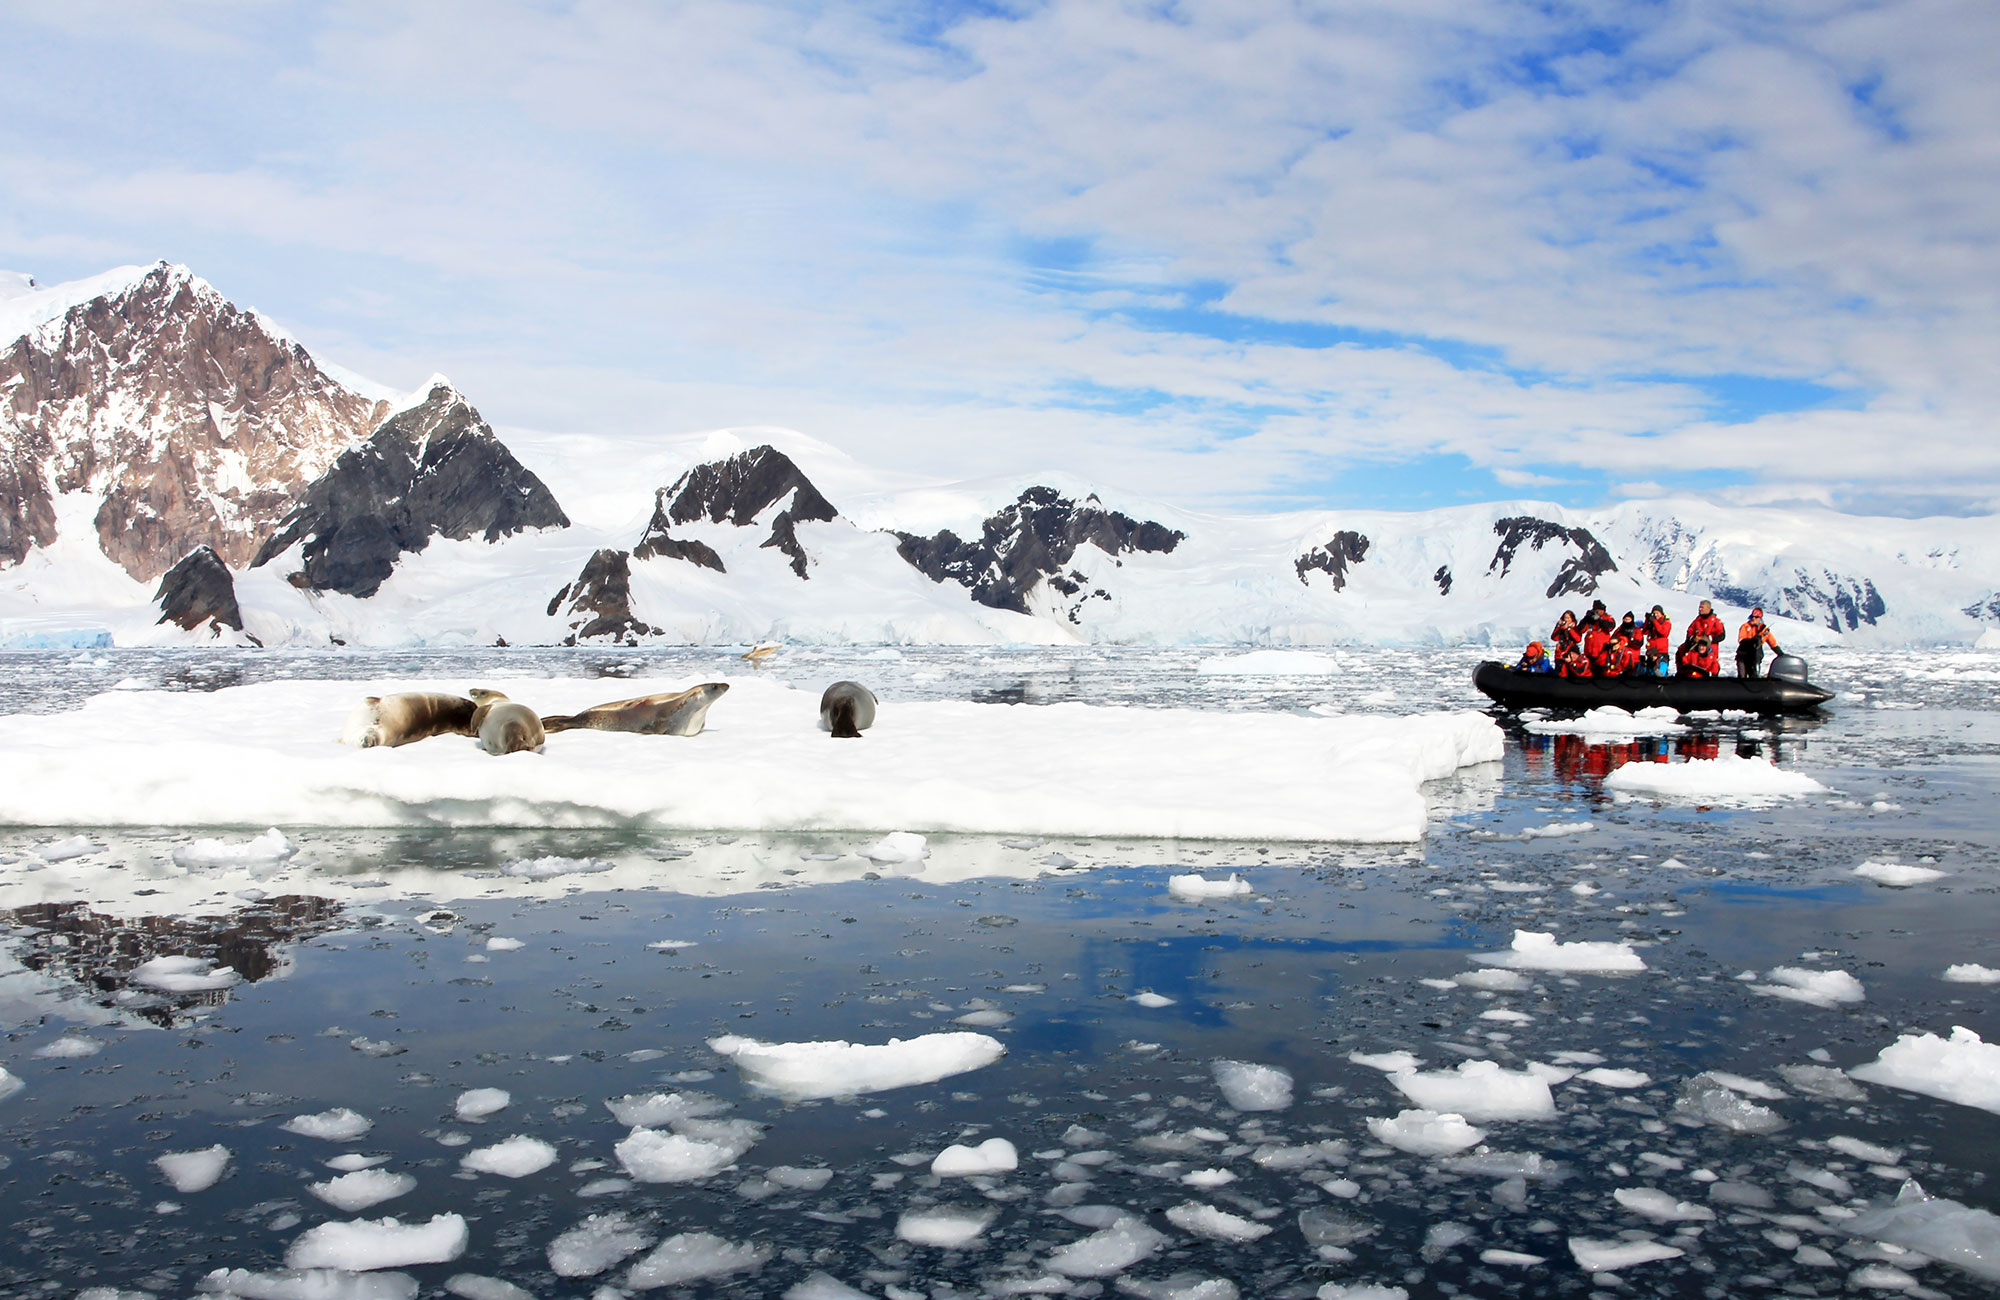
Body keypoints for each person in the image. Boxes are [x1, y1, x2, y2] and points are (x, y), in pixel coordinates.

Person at [1736, 607, 1781, 678]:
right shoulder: (1745, 626)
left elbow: (1773, 644)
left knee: (1754, 676)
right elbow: (1741, 640)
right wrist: (1752, 640)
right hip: (1743, 655)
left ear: (1760, 618)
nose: (1754, 618)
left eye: (1756, 617)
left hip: (1755, 657)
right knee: (1742, 676)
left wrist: (1781, 654)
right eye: (1752, 616)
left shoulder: (1764, 631)